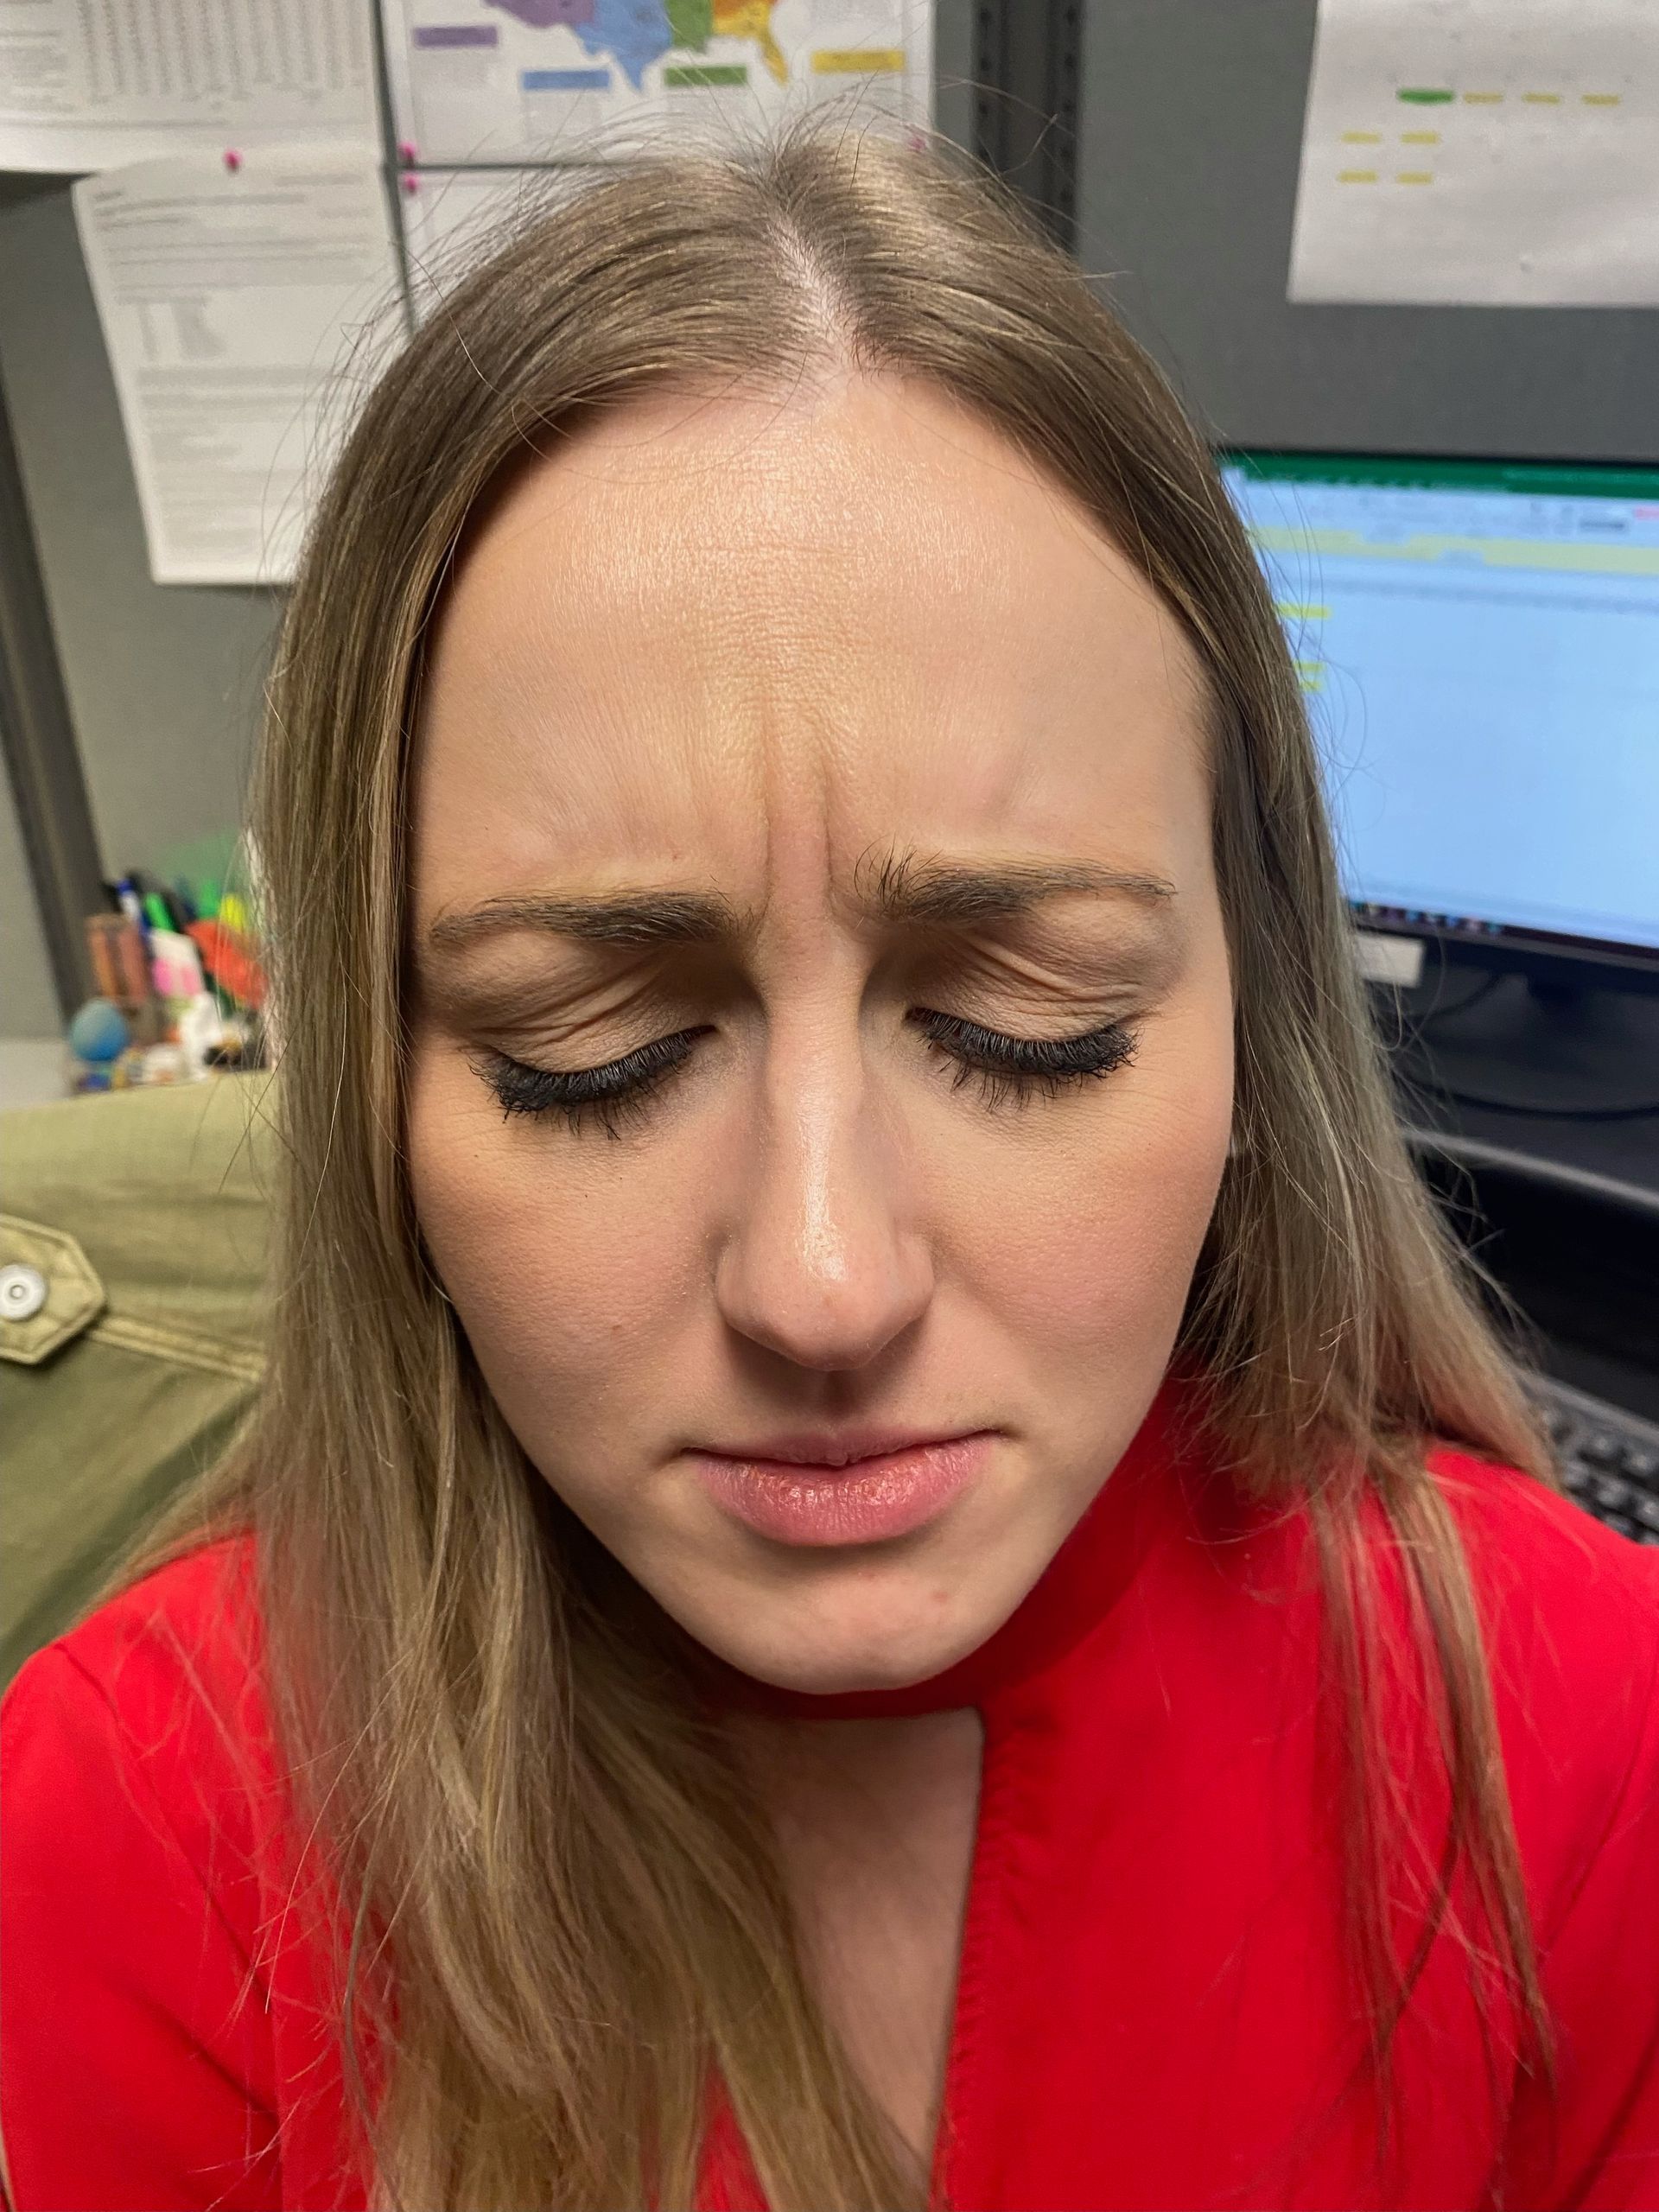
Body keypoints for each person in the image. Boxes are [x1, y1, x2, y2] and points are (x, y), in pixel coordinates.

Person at [3, 129, 1656, 2212]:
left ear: (1254, 1026)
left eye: (1024, 1022)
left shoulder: (1581, 1736)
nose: (822, 1280)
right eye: (583, 1055)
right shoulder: (139, 1819)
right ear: (380, 1103)